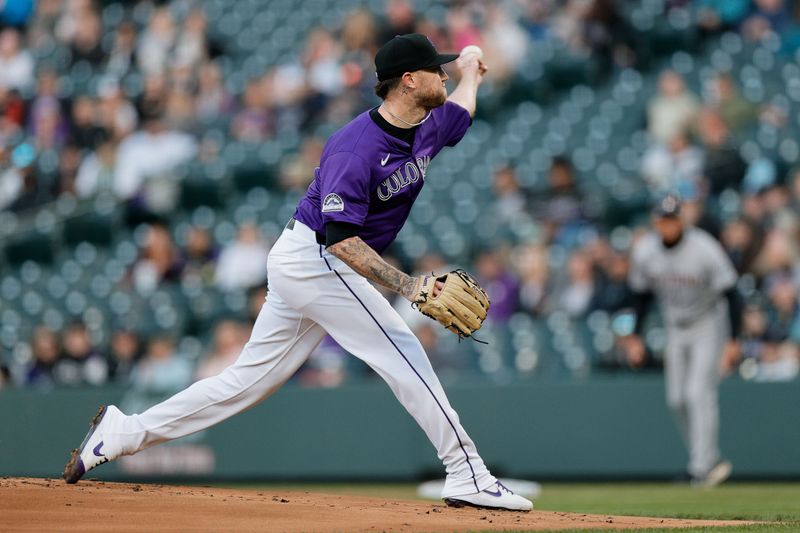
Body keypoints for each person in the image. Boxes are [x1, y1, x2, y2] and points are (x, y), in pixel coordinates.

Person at [62, 34, 532, 512]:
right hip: (316, 258)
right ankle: (466, 472)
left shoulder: (427, 123)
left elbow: (462, 111)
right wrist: (410, 287)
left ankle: (124, 433)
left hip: (311, 262)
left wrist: (471, 70)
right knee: (402, 349)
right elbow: (342, 241)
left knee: (247, 382)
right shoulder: (355, 147)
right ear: (409, 81)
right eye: (438, 68)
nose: (445, 74)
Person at [623, 194, 738, 487]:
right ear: (655, 221)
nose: (668, 225)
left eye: (672, 218)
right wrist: (634, 335)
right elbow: (640, 296)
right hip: (675, 326)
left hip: (708, 324)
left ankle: (701, 467)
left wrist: (733, 340)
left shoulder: (704, 248)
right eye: (663, 219)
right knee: (676, 399)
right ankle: (707, 460)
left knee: (698, 393)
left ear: (682, 219)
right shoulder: (646, 250)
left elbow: (731, 293)